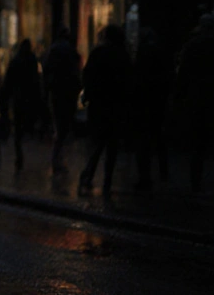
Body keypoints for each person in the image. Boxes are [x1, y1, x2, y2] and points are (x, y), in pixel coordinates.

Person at [79, 25, 131, 192]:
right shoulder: (123, 55)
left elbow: (87, 75)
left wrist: (87, 93)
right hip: (116, 105)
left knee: (98, 143)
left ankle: (89, 174)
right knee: (112, 146)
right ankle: (107, 180)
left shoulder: (98, 53)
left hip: (99, 104)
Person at [176, 13, 214, 192]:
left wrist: (179, 96)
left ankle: (196, 180)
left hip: (196, 98)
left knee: (198, 142)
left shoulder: (192, 46)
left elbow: (183, 74)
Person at [131, 29, 171, 189]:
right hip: (157, 102)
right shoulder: (160, 54)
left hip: (144, 103)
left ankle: (145, 176)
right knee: (158, 138)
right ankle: (163, 171)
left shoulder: (142, 55)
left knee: (143, 142)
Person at [43, 27, 82, 172]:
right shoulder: (70, 51)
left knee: (59, 124)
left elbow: (47, 71)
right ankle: (58, 157)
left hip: (56, 91)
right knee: (64, 125)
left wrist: (46, 90)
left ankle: (57, 156)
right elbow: (76, 69)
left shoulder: (52, 51)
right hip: (68, 91)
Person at [1, 39, 43, 173]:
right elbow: (36, 81)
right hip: (29, 98)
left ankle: (20, 153)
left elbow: (8, 81)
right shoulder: (32, 61)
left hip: (19, 98)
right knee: (28, 126)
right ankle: (29, 153)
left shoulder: (16, 61)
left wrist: (5, 98)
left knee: (19, 128)